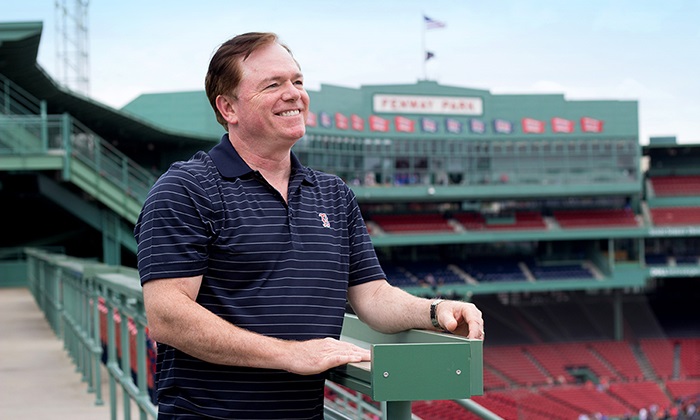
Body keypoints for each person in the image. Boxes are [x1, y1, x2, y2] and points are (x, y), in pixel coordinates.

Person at [134, 31, 484, 419]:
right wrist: (290, 354)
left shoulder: (333, 194)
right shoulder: (186, 188)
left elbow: (373, 298)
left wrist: (435, 312)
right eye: (273, 84)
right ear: (228, 107)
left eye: (297, 81)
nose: (293, 93)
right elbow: (166, 317)